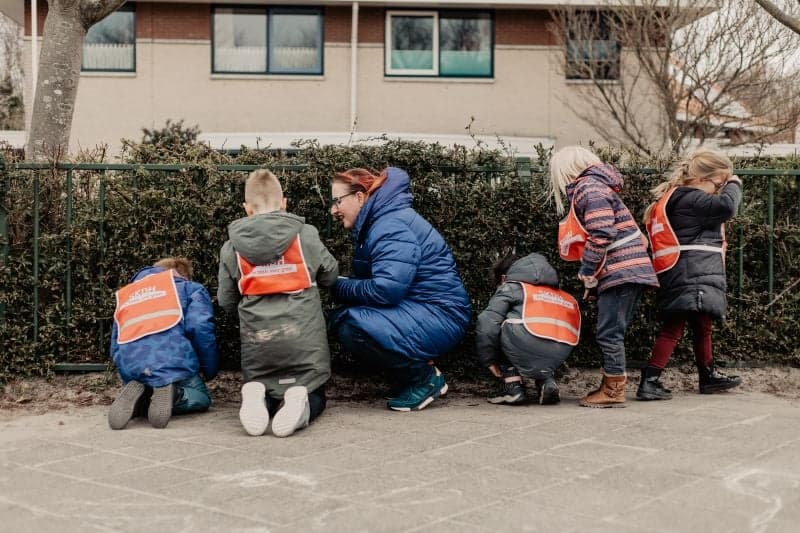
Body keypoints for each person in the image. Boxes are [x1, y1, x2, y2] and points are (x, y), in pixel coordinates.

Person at [329, 167, 471, 412]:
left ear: (360, 197)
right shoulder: (383, 221)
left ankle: (424, 379)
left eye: (337, 201)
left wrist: (336, 285)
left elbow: (386, 290)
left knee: (352, 326)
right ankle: (410, 376)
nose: (333, 210)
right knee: (347, 318)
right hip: (428, 309)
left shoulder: (389, 226)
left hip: (441, 314)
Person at [218, 169, 338, 437]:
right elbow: (329, 275)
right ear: (284, 203)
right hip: (303, 339)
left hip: (259, 340)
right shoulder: (305, 235)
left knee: (266, 386)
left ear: (247, 209)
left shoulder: (231, 248)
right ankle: (301, 402)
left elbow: (226, 300)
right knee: (313, 392)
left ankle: (257, 396)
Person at [550, 145, 659, 408]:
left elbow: (601, 233)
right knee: (611, 330)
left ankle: (614, 390)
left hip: (621, 270)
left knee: (609, 332)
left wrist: (587, 270)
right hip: (627, 269)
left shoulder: (588, 188)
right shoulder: (599, 187)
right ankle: (611, 384)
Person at [638, 149, 742, 400]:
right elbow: (727, 207)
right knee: (674, 327)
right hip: (690, 272)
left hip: (685, 271)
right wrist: (734, 183)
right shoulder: (690, 198)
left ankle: (708, 376)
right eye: (718, 184)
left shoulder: (677, 198)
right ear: (700, 179)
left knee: (702, 325)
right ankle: (649, 381)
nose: (719, 190)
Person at [109, 257, 218, 430]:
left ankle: (143, 398)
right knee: (201, 397)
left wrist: (127, 373)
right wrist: (209, 370)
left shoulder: (127, 295)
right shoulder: (190, 288)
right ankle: (175, 395)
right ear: (183, 275)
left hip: (132, 366)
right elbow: (200, 327)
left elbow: (116, 342)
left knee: (148, 379)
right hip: (173, 361)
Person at [476, 251, 580, 405]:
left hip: (525, 342)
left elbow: (487, 322)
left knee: (500, 324)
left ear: (503, 278)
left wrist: (488, 360)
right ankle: (547, 382)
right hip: (562, 348)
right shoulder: (558, 293)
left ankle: (512, 386)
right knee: (540, 332)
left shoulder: (510, 287)